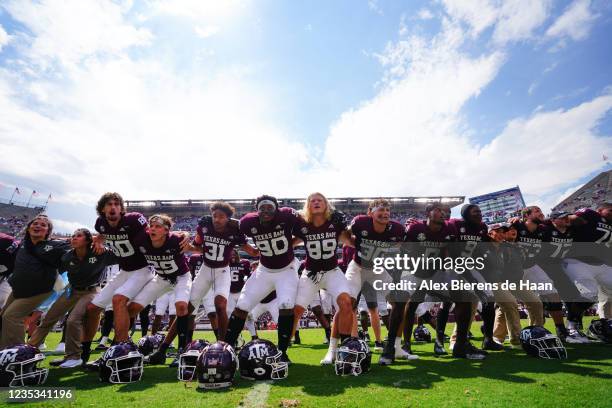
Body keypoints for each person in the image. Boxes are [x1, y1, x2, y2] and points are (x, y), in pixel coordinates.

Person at [224, 195, 301, 364]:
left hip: (286, 270)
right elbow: (236, 231)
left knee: (286, 306)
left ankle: (282, 351)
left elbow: (305, 230)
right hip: (264, 270)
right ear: (256, 209)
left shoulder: (287, 215)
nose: (266, 211)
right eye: (262, 207)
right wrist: (251, 250)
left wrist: (291, 243)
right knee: (242, 306)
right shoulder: (247, 222)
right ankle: (227, 348)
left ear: (277, 208)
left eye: (270, 207)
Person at [27, 228, 117, 367]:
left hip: (91, 290)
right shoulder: (67, 256)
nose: (74, 238)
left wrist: (101, 240)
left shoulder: (100, 252)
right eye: (73, 236)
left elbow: (122, 254)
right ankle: (29, 350)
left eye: (79, 236)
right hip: (72, 290)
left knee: (73, 320)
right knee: (49, 318)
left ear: (88, 240)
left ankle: (74, 356)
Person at [291, 192, 354, 364]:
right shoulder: (303, 225)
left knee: (346, 303)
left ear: (326, 204)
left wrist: (352, 229)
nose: (316, 202)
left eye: (320, 200)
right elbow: (289, 244)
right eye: (312, 201)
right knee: (296, 311)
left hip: (332, 271)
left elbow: (352, 242)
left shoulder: (334, 224)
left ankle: (341, 349)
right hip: (311, 274)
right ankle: (283, 349)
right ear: (308, 206)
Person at [0, 215, 71, 348]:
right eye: (35, 223)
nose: (38, 225)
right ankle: (4, 350)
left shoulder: (52, 246)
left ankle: (18, 354)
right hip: (18, 290)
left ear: (47, 232)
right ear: (28, 228)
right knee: (3, 316)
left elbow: (71, 246)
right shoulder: (22, 245)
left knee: (12, 316)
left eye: (43, 225)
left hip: (38, 290)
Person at [126, 214, 192, 356]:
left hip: (181, 277)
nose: (153, 229)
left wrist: (186, 235)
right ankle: (124, 343)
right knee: (131, 309)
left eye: (158, 226)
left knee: (181, 306)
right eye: (151, 226)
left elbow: (191, 245)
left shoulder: (176, 239)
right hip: (161, 278)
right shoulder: (142, 240)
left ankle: (182, 350)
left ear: (166, 230)